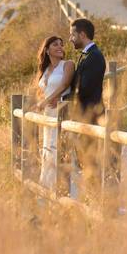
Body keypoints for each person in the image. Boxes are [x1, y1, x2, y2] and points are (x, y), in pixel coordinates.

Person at [67, 18, 107, 195]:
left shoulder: (95, 57)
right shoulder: (87, 55)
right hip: (83, 116)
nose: (70, 39)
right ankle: (92, 195)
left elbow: (83, 89)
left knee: (91, 159)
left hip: (90, 115)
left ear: (82, 34)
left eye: (73, 35)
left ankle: (98, 197)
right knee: (85, 158)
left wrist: (63, 99)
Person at [34, 35, 74, 190]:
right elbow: (41, 91)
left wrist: (49, 99)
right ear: (47, 50)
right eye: (55, 45)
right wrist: (39, 103)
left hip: (61, 111)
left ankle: (63, 191)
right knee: (48, 149)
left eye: (61, 45)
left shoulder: (68, 64)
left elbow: (64, 84)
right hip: (47, 114)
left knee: (60, 149)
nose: (60, 47)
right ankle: (48, 190)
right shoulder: (44, 70)